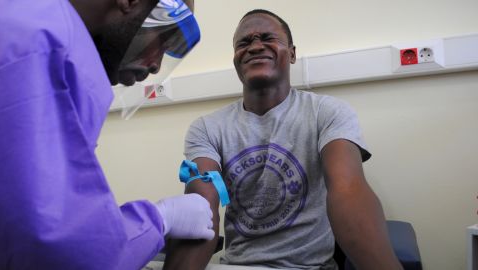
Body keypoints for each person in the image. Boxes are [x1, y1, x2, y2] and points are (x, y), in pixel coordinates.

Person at [164, 9, 404, 270]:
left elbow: (348, 191)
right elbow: (201, 208)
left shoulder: (327, 113)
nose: (255, 46)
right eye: (243, 43)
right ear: (235, 60)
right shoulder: (207, 128)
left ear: (291, 53)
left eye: (267, 38)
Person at [0, 0, 214, 269]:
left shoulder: (26, 16)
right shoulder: (43, 41)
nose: (157, 65)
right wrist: (159, 219)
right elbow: (58, 251)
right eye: (163, 39)